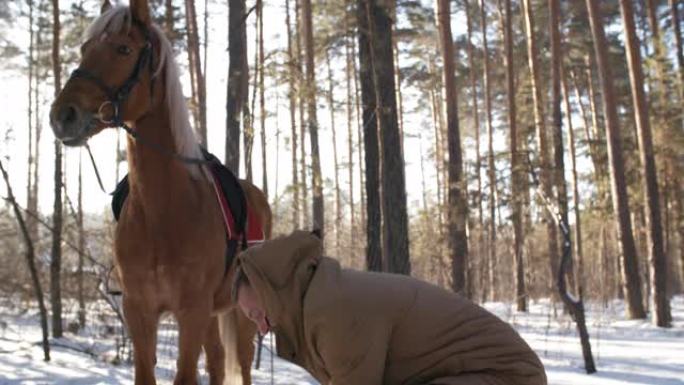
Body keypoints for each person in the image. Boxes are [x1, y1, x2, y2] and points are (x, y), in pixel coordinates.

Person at [233, 230, 547, 385]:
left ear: (273, 289)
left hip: (508, 378)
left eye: (258, 314)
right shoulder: (320, 297)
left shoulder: (333, 310)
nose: (262, 328)